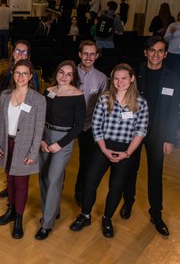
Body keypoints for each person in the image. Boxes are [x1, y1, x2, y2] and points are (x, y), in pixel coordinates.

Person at [70, 63, 148, 239]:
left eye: (124, 78)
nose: (120, 82)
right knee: (90, 182)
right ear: (112, 80)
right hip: (103, 146)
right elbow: (96, 126)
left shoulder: (141, 103)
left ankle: (107, 219)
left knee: (116, 187)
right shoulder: (104, 99)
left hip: (126, 149)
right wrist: (104, 150)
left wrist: (127, 153)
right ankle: (85, 215)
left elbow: (140, 131)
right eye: (116, 78)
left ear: (132, 79)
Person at [120, 36, 180, 236]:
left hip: (158, 134)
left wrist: (170, 139)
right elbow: (123, 101)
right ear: (145, 52)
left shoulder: (172, 78)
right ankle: (128, 203)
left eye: (160, 51)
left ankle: (156, 213)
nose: (156, 54)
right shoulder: (134, 73)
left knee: (155, 174)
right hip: (133, 131)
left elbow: (172, 111)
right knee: (130, 170)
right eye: (152, 50)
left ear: (165, 54)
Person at [0, 60, 46, 239]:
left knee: (21, 184)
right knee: (10, 179)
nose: (20, 77)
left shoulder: (38, 99)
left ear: (30, 76)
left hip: (24, 147)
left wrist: (33, 153)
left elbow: (39, 129)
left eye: (25, 73)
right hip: (7, 144)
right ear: (12, 75)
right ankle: (11, 211)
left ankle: (18, 219)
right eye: (17, 73)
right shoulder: (5, 95)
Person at [36, 60, 86, 240]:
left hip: (63, 140)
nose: (64, 76)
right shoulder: (49, 91)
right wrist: (41, 139)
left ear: (74, 77)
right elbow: (40, 116)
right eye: (61, 72)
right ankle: (52, 209)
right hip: (45, 135)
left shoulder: (77, 95)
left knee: (54, 178)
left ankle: (46, 223)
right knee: (42, 176)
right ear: (56, 73)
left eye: (69, 74)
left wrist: (60, 144)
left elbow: (79, 126)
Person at [74, 41, 109, 206]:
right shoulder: (70, 73)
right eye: (85, 54)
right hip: (69, 124)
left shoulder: (102, 78)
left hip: (88, 126)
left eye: (92, 54)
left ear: (96, 56)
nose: (88, 57)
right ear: (80, 54)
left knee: (85, 161)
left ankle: (80, 191)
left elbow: (104, 106)